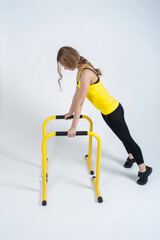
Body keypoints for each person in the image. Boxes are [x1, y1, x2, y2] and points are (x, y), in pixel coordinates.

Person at [56, 46, 153, 185]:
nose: (64, 69)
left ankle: (144, 170)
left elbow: (80, 103)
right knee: (122, 136)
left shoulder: (85, 73)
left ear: (69, 60)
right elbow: (76, 95)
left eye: (64, 65)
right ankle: (131, 157)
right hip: (106, 112)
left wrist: (73, 126)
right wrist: (70, 113)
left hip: (114, 111)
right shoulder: (80, 72)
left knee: (127, 139)